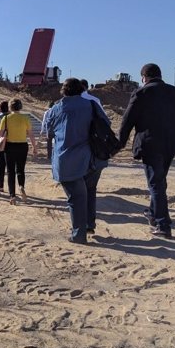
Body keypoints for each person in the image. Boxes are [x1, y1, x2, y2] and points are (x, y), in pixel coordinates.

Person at [119, 63, 175, 238]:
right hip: (170, 145)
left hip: (150, 145)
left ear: (144, 77)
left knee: (156, 183)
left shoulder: (141, 93)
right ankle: (152, 213)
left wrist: (119, 144)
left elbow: (128, 121)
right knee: (159, 181)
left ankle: (163, 224)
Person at [45, 78, 110, 244]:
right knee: (89, 192)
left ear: (63, 91)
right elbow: (106, 124)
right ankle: (89, 224)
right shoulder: (91, 105)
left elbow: (49, 131)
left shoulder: (55, 109)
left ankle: (79, 235)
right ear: (81, 90)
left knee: (76, 198)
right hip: (91, 159)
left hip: (66, 159)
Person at [80, 79, 108, 235]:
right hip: (96, 152)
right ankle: (89, 224)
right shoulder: (95, 101)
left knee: (78, 190)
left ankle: (79, 225)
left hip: (77, 154)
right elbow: (105, 124)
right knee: (91, 189)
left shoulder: (65, 104)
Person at [0, 98, 38, 205]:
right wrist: (34, 147)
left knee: (10, 171)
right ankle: (21, 186)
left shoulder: (6, 118)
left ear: (10, 107)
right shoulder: (25, 118)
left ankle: (12, 196)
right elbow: (31, 134)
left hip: (10, 146)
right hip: (22, 146)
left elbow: (0, 134)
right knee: (20, 169)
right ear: (20, 107)